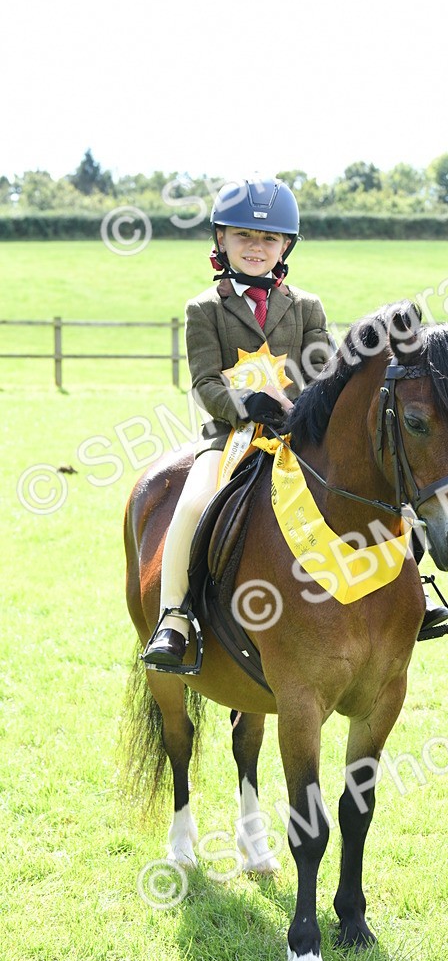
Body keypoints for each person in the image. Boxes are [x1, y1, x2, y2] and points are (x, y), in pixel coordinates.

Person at [142, 177, 332, 666]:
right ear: (220, 240)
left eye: (268, 238)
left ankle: (413, 592)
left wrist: (302, 410)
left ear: (285, 245)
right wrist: (246, 406)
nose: (256, 247)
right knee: (191, 505)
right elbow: (205, 383)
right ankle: (174, 618)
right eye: (244, 236)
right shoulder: (204, 309)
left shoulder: (307, 307)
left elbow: (324, 372)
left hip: (297, 435)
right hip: (230, 436)